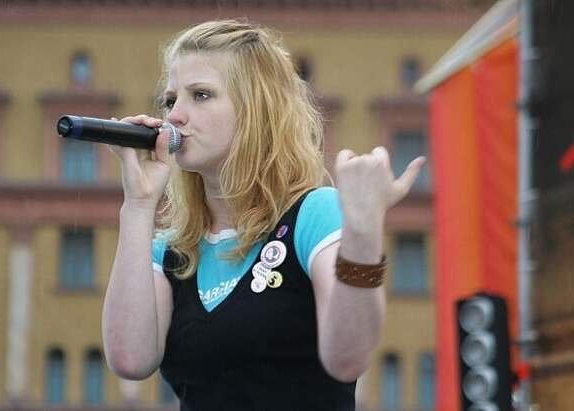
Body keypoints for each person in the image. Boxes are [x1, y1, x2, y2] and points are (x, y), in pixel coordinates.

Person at [101, 19, 425, 411]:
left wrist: (363, 234)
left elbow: (348, 358)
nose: (176, 116)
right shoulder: (172, 250)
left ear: (255, 109)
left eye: (200, 95)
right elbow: (130, 360)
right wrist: (138, 205)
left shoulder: (313, 215)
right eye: (170, 100)